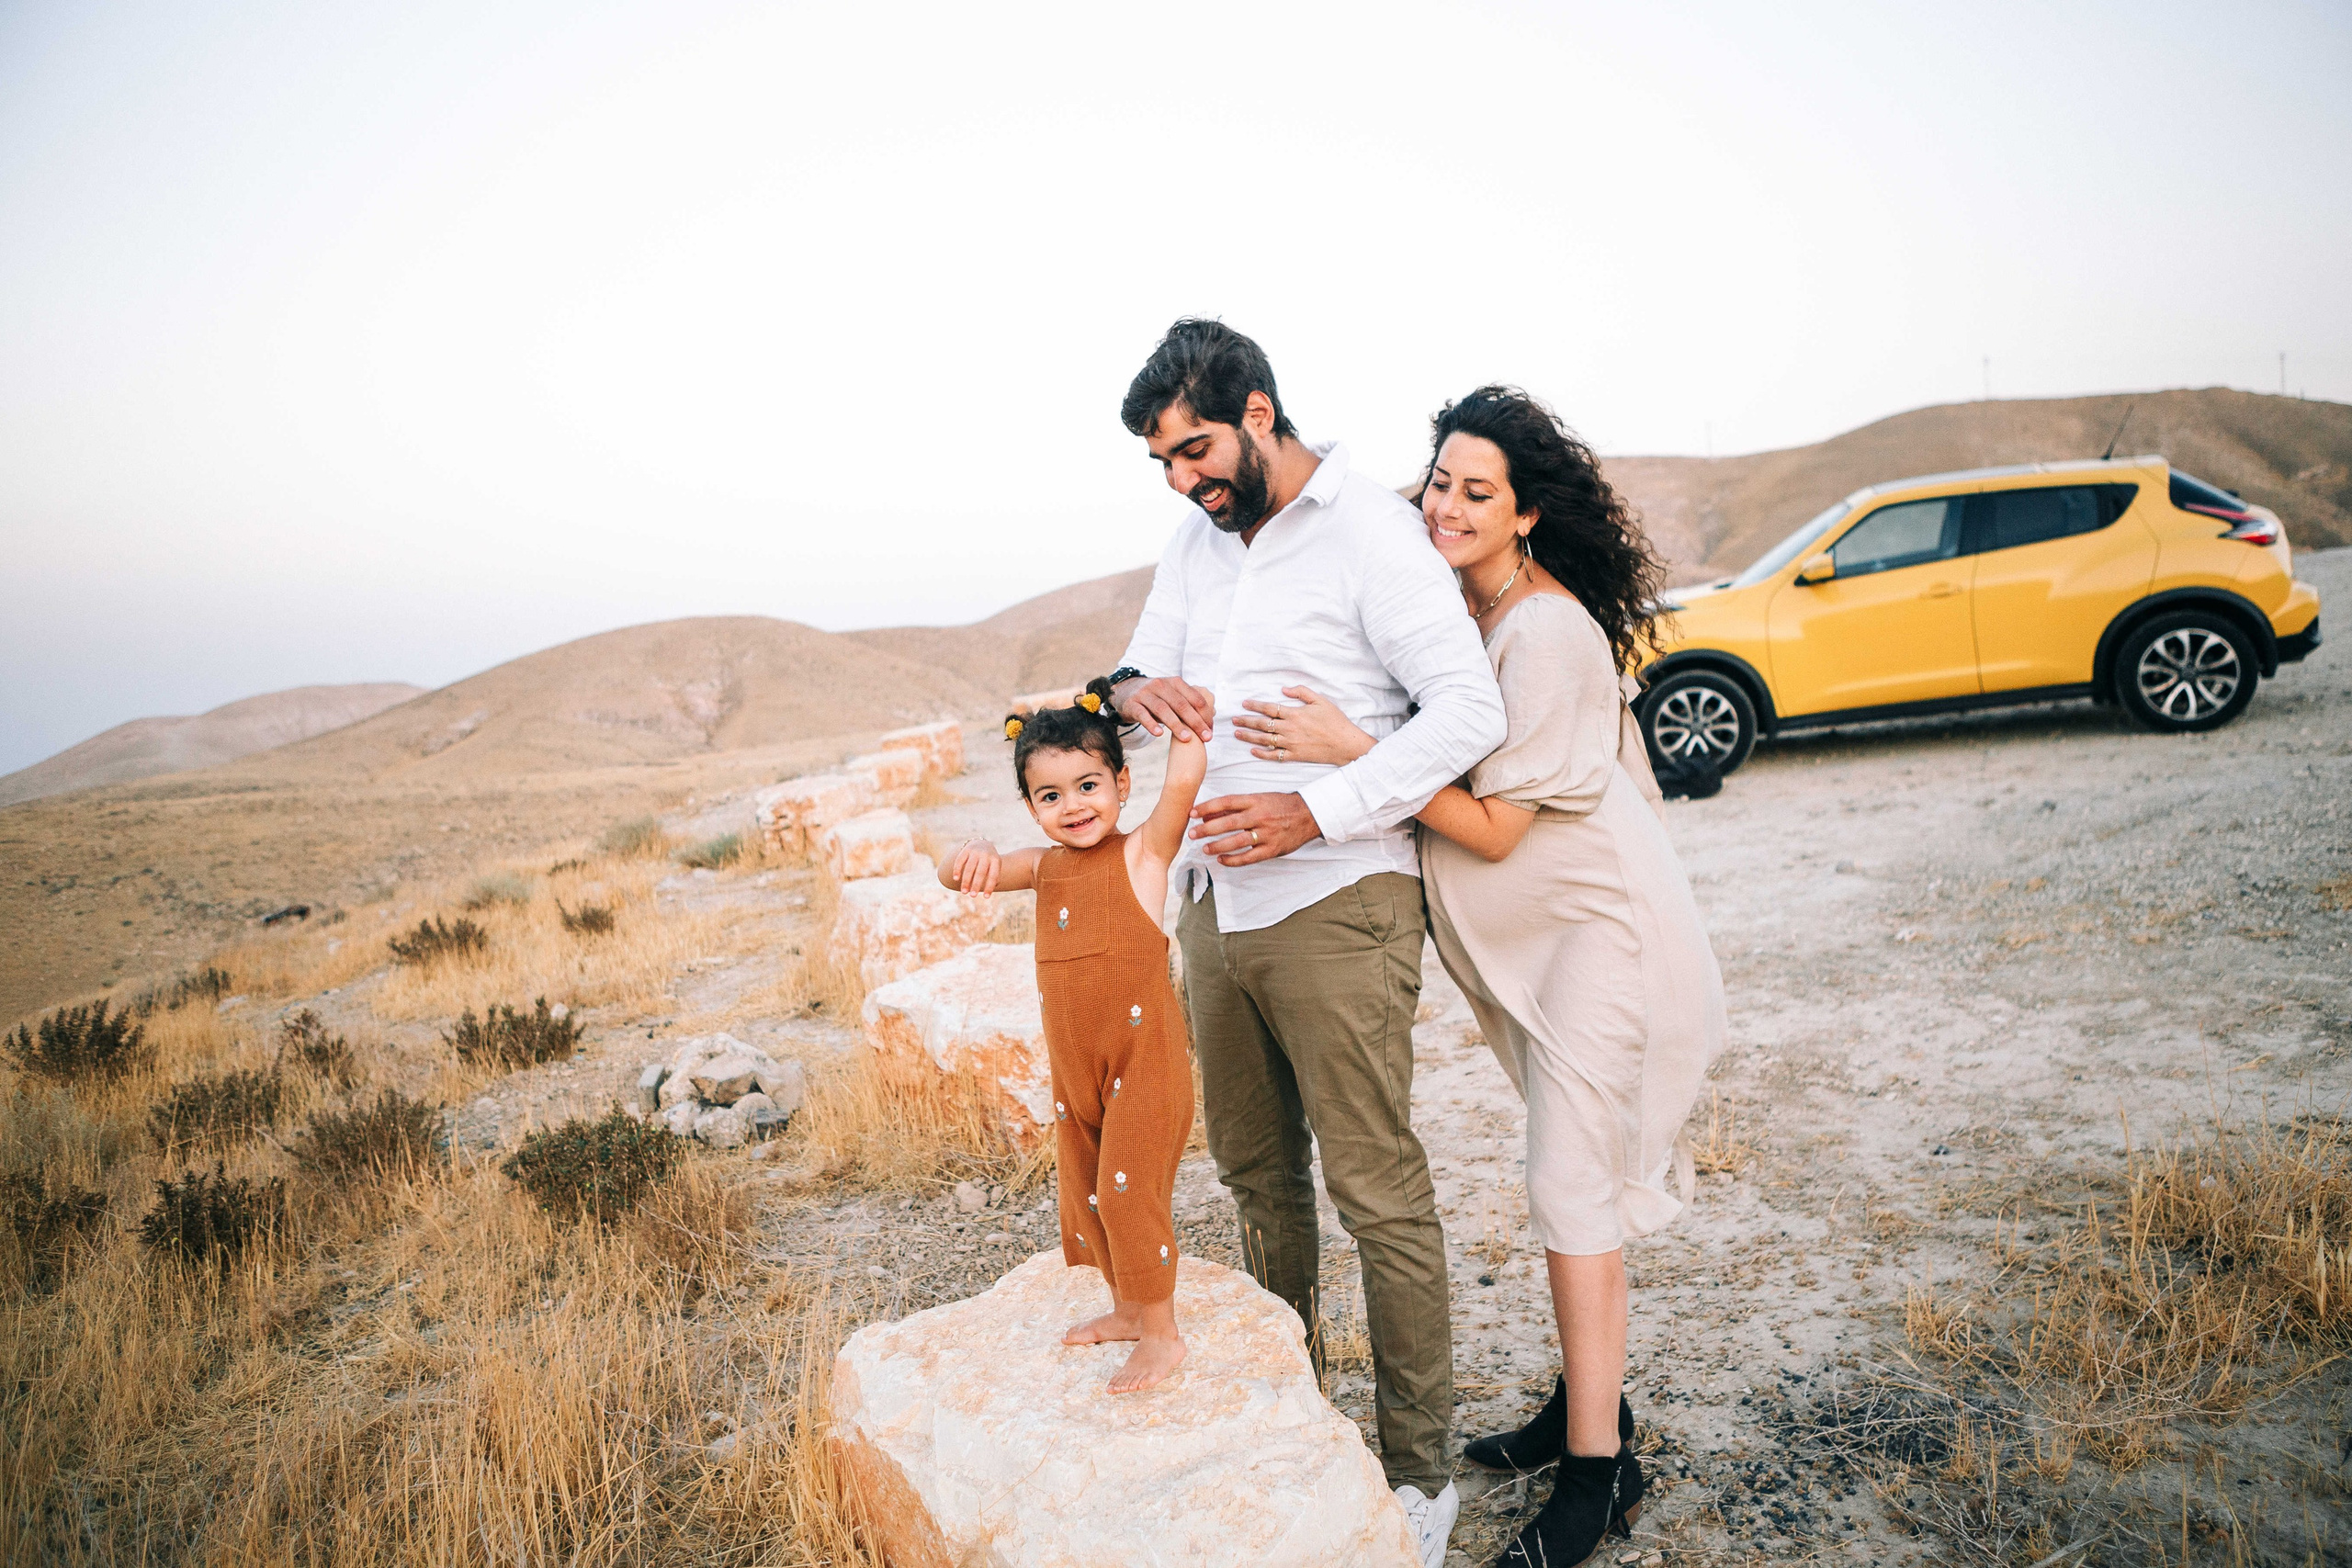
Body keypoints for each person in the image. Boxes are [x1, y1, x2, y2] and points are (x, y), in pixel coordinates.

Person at [1237, 387, 1726, 1568]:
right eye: (1440, 480)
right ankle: (1582, 1408)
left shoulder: (1547, 634)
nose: (1446, 504)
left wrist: (1352, 754)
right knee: (1567, 1179)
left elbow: (1497, 831)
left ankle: (1600, 1478)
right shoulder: (1467, 603)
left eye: (1477, 491)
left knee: (1571, 1189)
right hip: (1541, 954)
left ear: (1527, 517)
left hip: (1595, 942)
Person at [1106, 320, 1508, 1567]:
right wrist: (1137, 695)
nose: (1185, 479)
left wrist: (1313, 808)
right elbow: (1133, 671)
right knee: (1255, 1178)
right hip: (1215, 910)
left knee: (1374, 1186)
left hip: (1342, 899)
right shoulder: (1194, 540)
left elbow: (1467, 710)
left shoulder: (1373, 534)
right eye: (1165, 462)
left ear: (1262, 412)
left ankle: (1418, 1469)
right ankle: (1299, 1420)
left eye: (1198, 449)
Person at [940, 678, 1206, 1393]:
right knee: (1088, 1191)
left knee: (1128, 1193)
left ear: (1122, 781)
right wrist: (963, 850)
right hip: (1077, 1075)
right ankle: (1126, 1308)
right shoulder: (1043, 868)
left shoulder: (1143, 854)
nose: (1074, 806)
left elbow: (1183, 783)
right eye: (1050, 795)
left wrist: (1178, 718)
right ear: (1030, 807)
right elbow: (960, 874)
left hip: (1144, 1064)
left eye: (1089, 784)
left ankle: (1162, 1333)